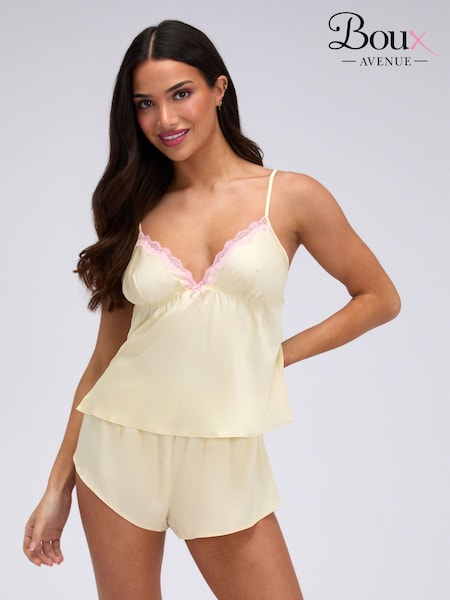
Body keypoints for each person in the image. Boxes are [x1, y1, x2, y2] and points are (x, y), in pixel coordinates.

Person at [23, 19, 400, 600]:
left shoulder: (290, 196)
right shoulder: (132, 210)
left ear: (219, 89)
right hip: (118, 449)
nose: (165, 119)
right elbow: (104, 362)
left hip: (224, 457)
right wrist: (57, 488)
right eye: (145, 104)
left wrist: (275, 356)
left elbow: (379, 297)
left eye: (181, 94)